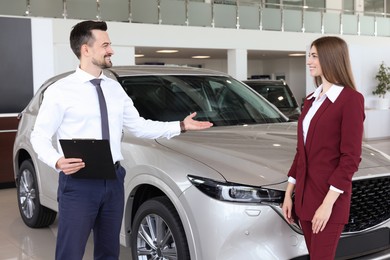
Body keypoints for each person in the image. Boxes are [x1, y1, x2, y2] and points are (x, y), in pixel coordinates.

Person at [30, 20, 213, 260]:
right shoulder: (60, 90)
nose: (111, 50)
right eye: (105, 45)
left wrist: (180, 126)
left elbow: (138, 125)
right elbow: (39, 136)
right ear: (86, 49)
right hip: (79, 183)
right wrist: (56, 161)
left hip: (114, 181)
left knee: (109, 251)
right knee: (70, 252)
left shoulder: (114, 88)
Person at [282, 36, 365, 260]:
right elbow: (302, 151)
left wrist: (327, 205)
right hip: (305, 198)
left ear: (330, 58)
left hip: (329, 201)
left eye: (315, 56)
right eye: (309, 55)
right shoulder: (311, 99)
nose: (309, 61)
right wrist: (289, 194)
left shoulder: (350, 100)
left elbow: (351, 158)